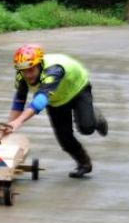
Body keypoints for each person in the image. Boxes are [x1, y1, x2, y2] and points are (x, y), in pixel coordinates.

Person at [7, 44, 108, 178]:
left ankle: (95, 117)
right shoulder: (22, 75)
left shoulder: (53, 70)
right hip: (56, 99)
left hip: (77, 89)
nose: (27, 74)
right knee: (64, 138)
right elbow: (19, 101)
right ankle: (84, 164)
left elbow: (40, 101)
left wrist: (19, 121)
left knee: (86, 128)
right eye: (24, 70)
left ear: (39, 65)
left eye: (31, 70)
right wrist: (9, 125)